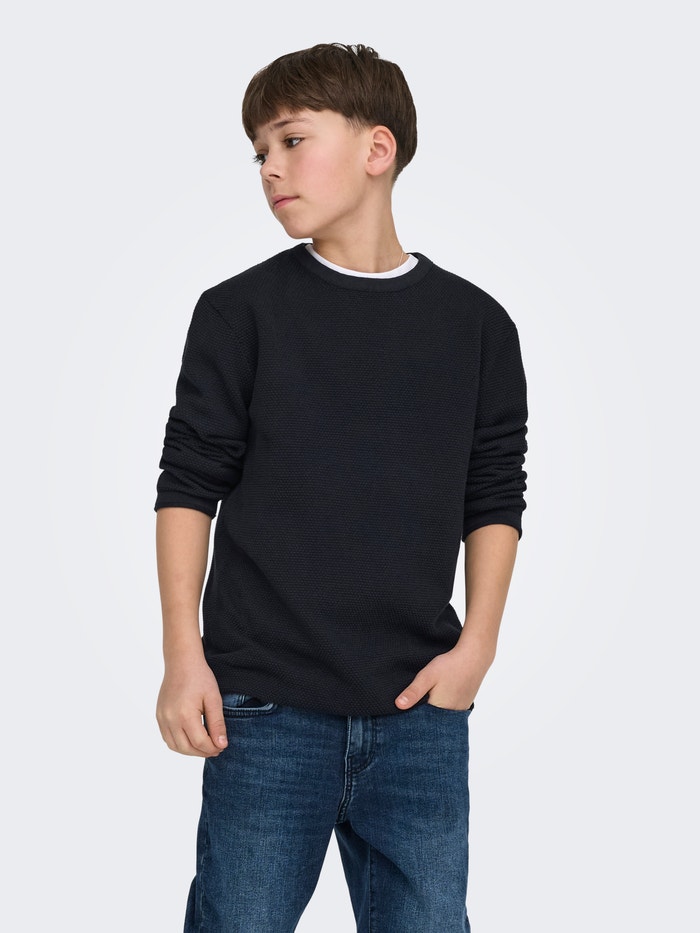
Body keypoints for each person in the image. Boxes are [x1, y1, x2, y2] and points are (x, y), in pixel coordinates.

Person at [154, 42, 528, 933]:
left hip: (420, 710)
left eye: (290, 139)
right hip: (263, 709)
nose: (269, 168)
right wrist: (182, 655)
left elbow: (493, 491)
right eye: (259, 152)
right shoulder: (238, 313)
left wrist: (476, 647)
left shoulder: (477, 325)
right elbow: (189, 483)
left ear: (377, 148)